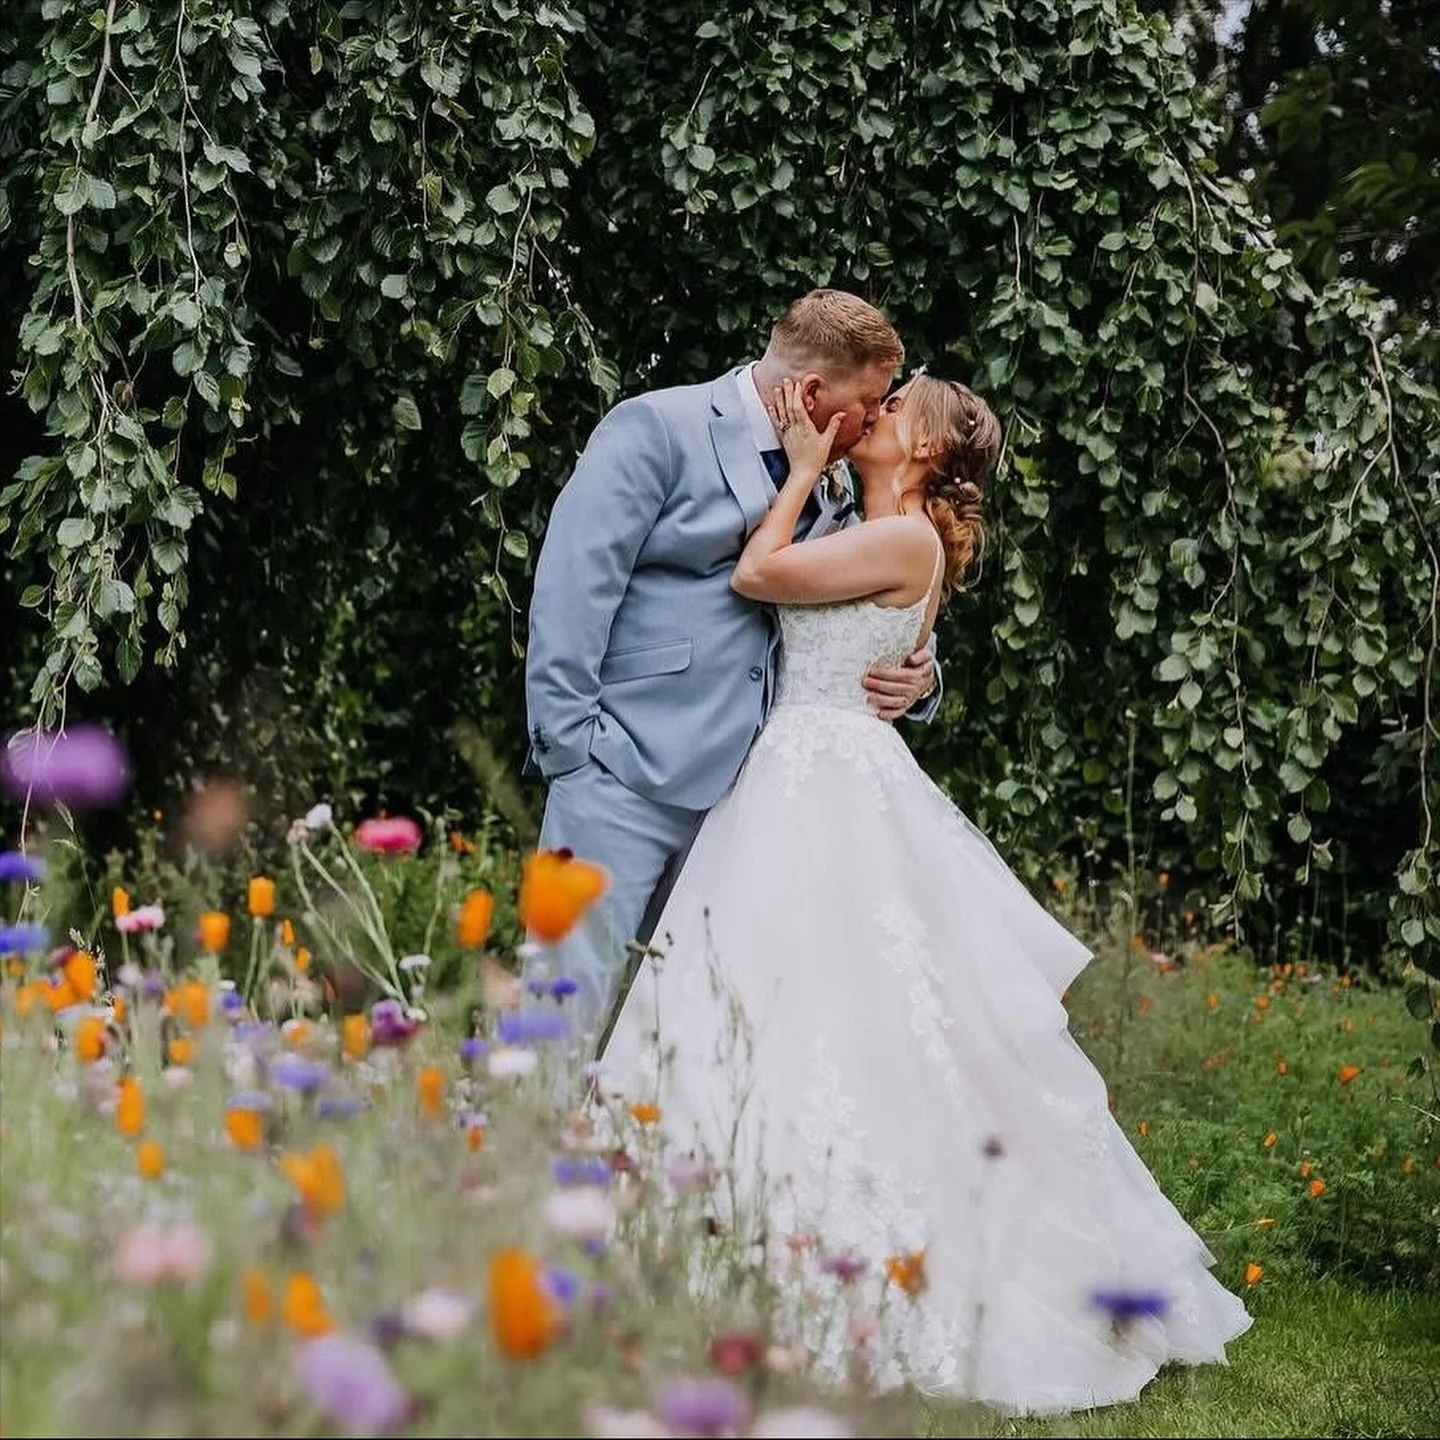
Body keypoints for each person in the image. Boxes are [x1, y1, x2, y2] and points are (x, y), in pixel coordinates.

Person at [596, 373, 1252, 1413]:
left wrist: (807, 468)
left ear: (926, 451)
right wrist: (921, 660)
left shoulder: (902, 537)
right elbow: (857, 629)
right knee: (786, 1013)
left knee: (856, 1017)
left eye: (895, 409)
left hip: (827, 786)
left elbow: (762, 574)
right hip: (797, 774)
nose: (875, 416)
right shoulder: (879, 526)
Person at [524, 291, 941, 1049]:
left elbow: (870, 587)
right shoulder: (656, 428)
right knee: (562, 1015)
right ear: (813, 394)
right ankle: (516, 1169)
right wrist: (573, 752)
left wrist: (920, 673)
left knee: (684, 1037)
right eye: (870, 401)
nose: (877, 419)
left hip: (751, 803)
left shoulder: (833, 468)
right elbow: (573, 585)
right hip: (623, 771)